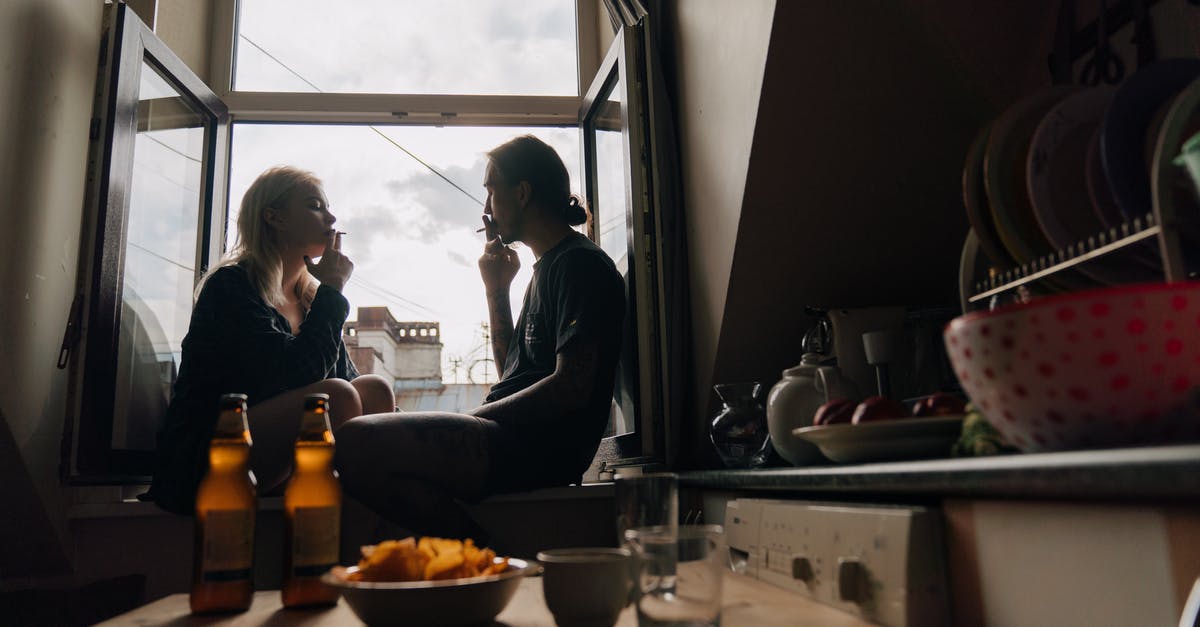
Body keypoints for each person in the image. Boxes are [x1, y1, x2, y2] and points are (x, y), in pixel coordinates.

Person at [334, 135, 625, 539]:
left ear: (522, 193)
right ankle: (472, 554)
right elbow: (512, 371)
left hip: (536, 448)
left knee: (356, 442)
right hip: (513, 439)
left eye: (490, 191)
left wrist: (471, 418)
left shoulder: (580, 265)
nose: (486, 209)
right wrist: (497, 290)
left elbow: (572, 386)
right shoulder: (548, 267)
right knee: (365, 444)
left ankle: (482, 554)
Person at [148, 166, 395, 515]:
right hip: (208, 461)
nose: (332, 216)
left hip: (271, 452)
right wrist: (333, 291)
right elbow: (296, 374)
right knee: (333, 397)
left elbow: (350, 382)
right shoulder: (232, 286)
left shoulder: (309, 299)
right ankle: (328, 507)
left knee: (374, 390)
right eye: (315, 206)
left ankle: (359, 512)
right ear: (274, 217)